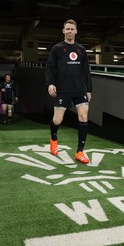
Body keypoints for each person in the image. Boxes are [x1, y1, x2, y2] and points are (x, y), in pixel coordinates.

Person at [45, 19, 92, 164]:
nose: (70, 31)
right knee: (57, 119)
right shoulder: (57, 49)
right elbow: (50, 68)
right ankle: (53, 139)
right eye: (67, 29)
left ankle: (80, 152)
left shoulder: (81, 49)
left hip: (80, 89)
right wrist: (50, 84)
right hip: (63, 89)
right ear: (63, 31)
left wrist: (89, 89)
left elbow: (86, 71)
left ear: (76, 31)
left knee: (83, 117)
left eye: (72, 29)